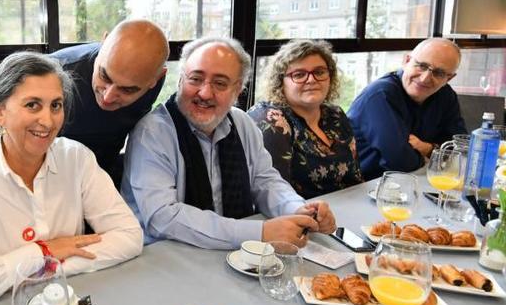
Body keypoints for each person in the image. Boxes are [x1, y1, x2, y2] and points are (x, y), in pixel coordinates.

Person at [0, 52, 143, 305]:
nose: (48, 120)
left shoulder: (76, 158)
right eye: (32, 105)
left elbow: (130, 237)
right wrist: (43, 251)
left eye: (56, 105)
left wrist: (50, 268)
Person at [121, 37, 336, 250]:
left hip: (233, 252)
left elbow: (265, 181)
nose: (204, 93)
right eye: (195, 79)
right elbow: (163, 218)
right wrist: (260, 233)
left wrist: (298, 209)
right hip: (165, 256)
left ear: (238, 90)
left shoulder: (242, 123)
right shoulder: (152, 132)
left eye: (220, 83)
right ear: (180, 80)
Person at [0, 19, 169, 188]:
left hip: (96, 177)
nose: (108, 96)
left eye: (128, 90)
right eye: (104, 76)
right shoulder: (62, 71)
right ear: (103, 43)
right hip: (44, 176)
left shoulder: (151, 78)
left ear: (155, 80)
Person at [249, 39, 363, 198]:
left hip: (347, 208)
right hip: (299, 216)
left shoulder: (335, 114)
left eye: (319, 72)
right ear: (281, 82)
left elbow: (355, 178)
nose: (311, 80)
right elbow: (276, 196)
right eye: (299, 75)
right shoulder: (270, 119)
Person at [348, 38, 467, 179]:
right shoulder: (380, 95)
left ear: (449, 78)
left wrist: (428, 149)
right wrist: (428, 156)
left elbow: (461, 150)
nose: (425, 78)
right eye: (422, 66)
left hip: (411, 182)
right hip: (362, 187)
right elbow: (399, 161)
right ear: (406, 61)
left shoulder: (445, 95)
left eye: (439, 73)